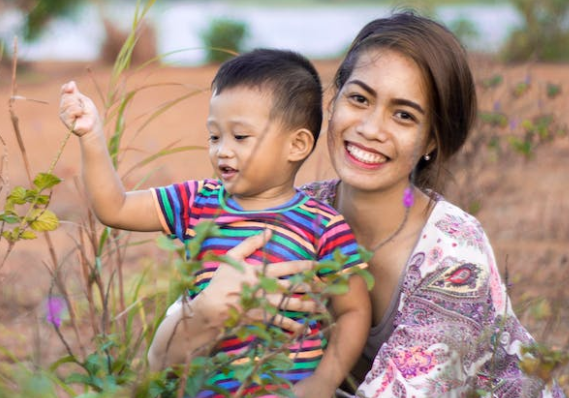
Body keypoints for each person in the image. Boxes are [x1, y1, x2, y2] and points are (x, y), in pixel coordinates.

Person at [161, 12, 566, 398]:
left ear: (431, 142)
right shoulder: (298, 213)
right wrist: (204, 314)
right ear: (332, 101)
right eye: (359, 98)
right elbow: (161, 365)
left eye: (404, 116)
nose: (370, 128)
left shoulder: (454, 259)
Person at [58, 48, 371, 398]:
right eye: (214, 136)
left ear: (296, 144)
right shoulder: (197, 201)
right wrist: (92, 138)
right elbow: (114, 208)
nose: (222, 150)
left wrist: (323, 383)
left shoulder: (322, 224)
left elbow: (353, 311)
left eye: (240, 137)